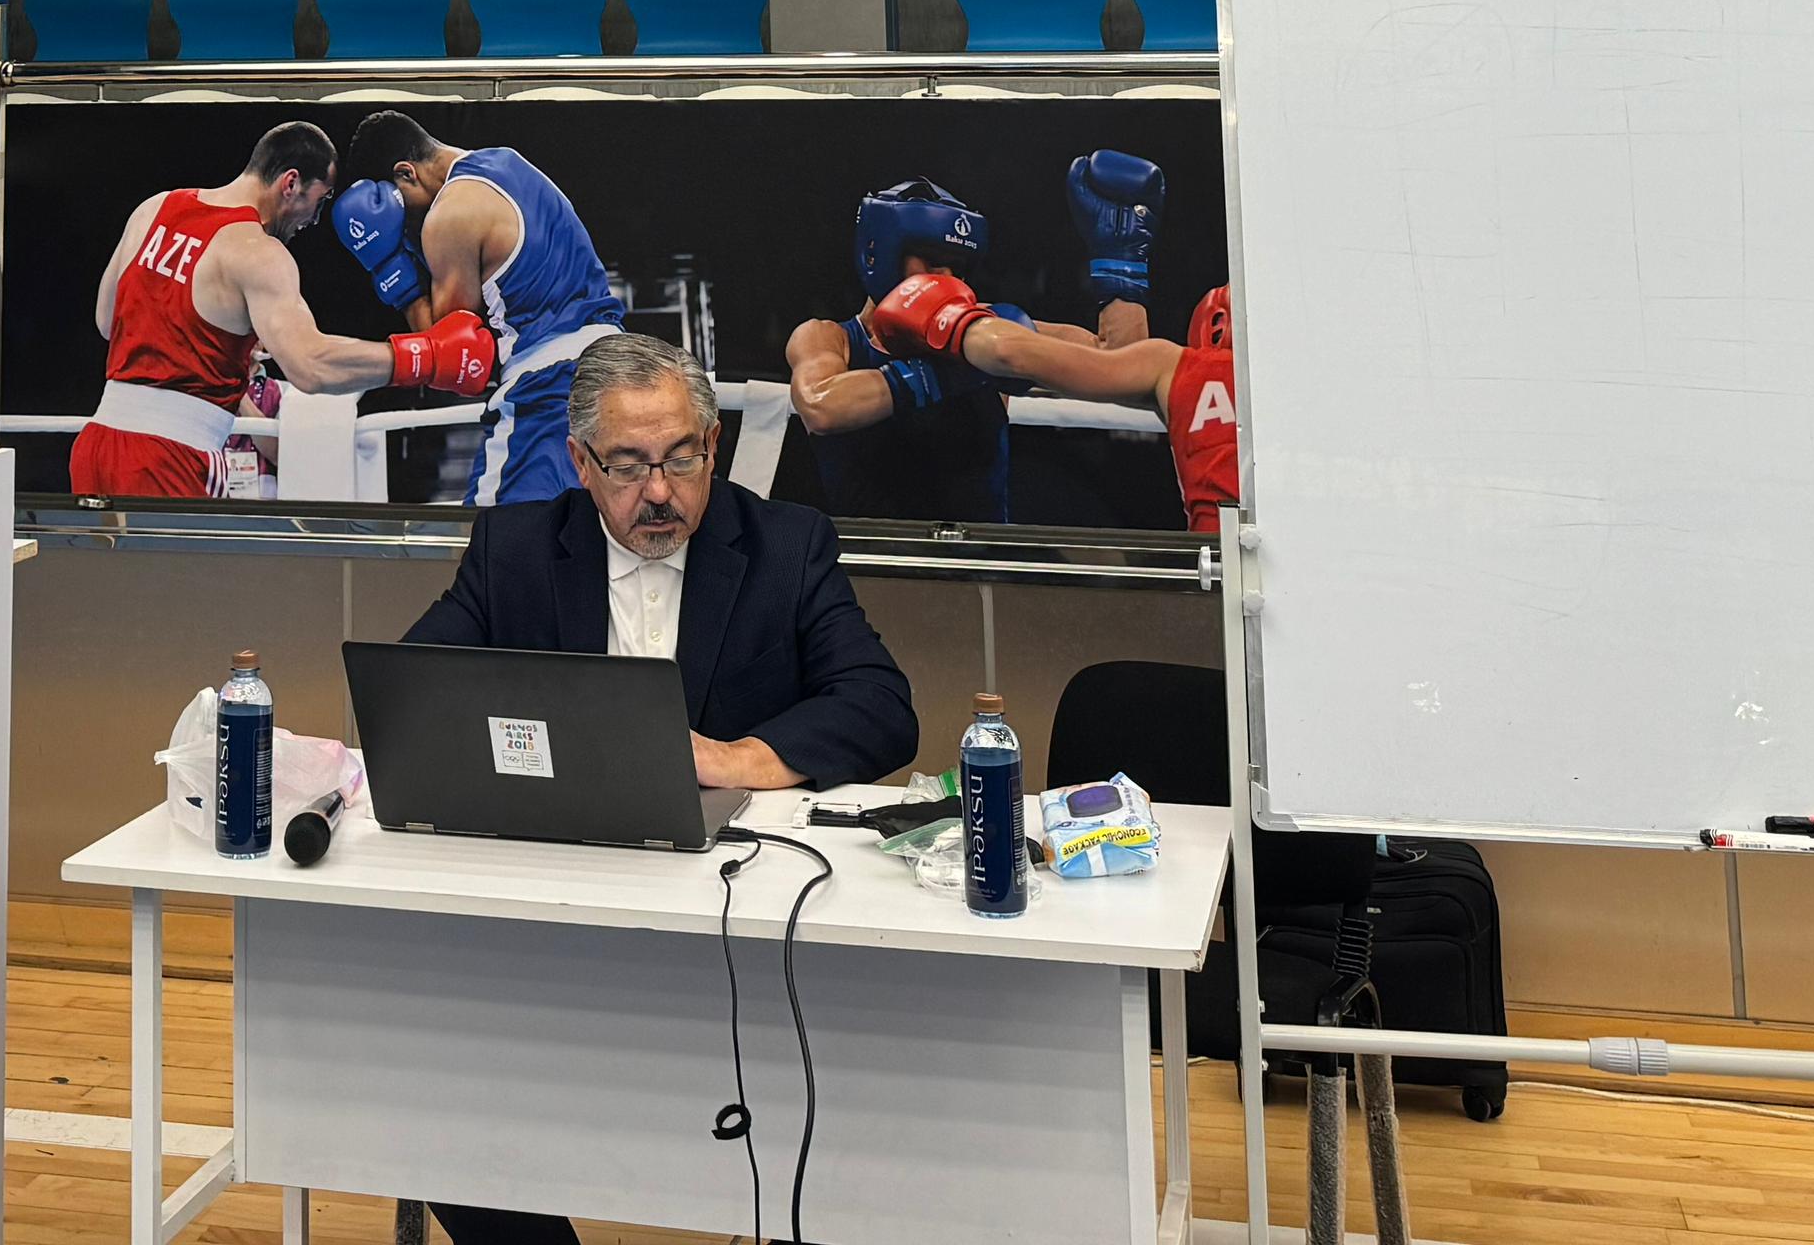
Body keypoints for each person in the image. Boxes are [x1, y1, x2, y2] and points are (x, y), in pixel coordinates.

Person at [401, 331, 917, 1245]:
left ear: (714, 446)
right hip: (549, 922)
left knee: (838, 1104)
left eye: (682, 458)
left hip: (739, 932)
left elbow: (881, 708)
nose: (660, 492)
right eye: (628, 465)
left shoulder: (786, 545)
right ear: (580, 463)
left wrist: (733, 758)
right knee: (434, 1082)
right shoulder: (515, 549)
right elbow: (414, 693)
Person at [69, 120, 498, 499]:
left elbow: (107, 321)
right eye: (321, 200)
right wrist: (424, 356)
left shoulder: (155, 207)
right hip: (167, 460)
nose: (314, 219)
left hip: (96, 445)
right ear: (290, 183)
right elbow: (310, 365)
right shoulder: (258, 251)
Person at [334, 112, 624, 506]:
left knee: (487, 528)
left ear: (406, 173)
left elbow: (453, 355)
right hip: (615, 368)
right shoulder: (509, 162)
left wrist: (394, 273)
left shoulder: (449, 215)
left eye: (401, 210)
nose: (405, 224)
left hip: (549, 385)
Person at [870, 274, 1240, 527]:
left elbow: (1010, 352)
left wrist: (948, 317)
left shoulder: (1180, 367)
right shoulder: (1185, 368)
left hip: (1222, 579)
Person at [784, 179, 1028, 523]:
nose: (946, 275)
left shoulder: (987, 331)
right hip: (870, 553)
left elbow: (1101, 351)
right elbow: (822, 406)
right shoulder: (828, 338)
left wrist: (1111, 276)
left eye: (957, 265)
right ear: (879, 255)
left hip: (983, 553)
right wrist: (951, 370)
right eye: (932, 259)